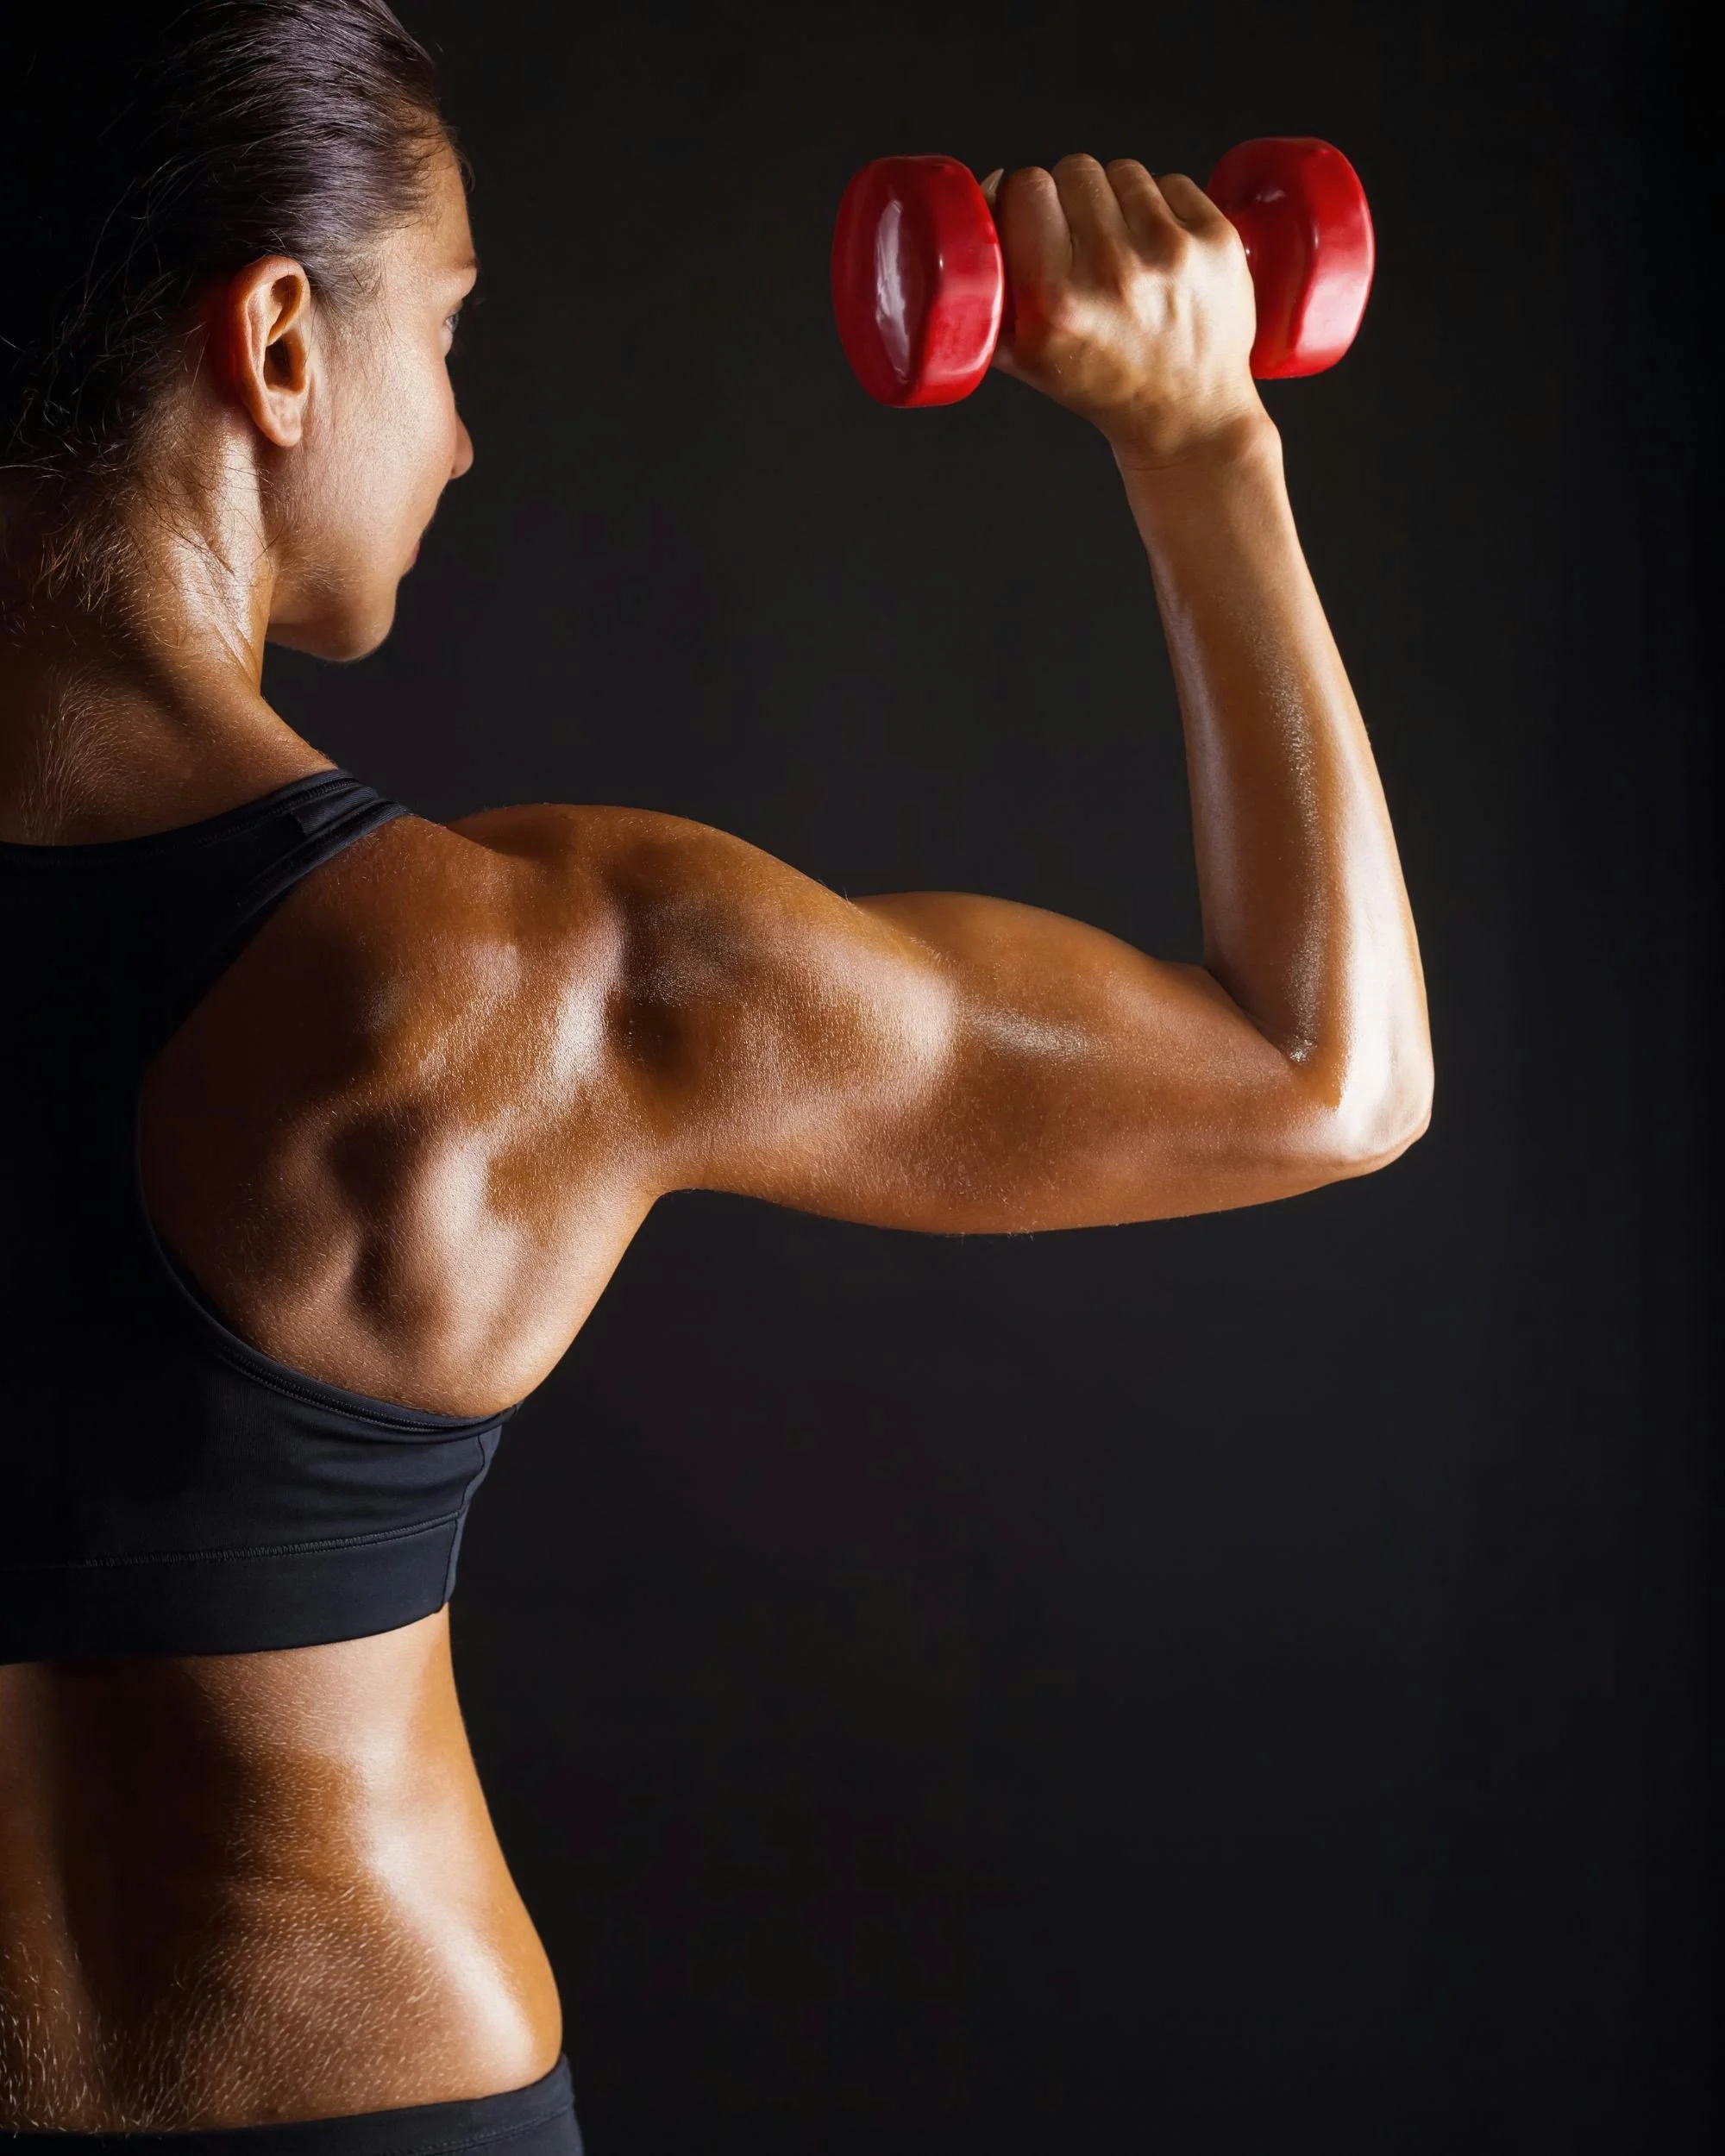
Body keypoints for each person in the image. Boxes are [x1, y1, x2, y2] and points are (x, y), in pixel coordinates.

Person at [0, 3, 1431, 2148]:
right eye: (450, 335)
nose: (465, 441)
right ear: (282, 345)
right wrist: (1203, 443)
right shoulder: (531, 979)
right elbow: (1322, 1068)